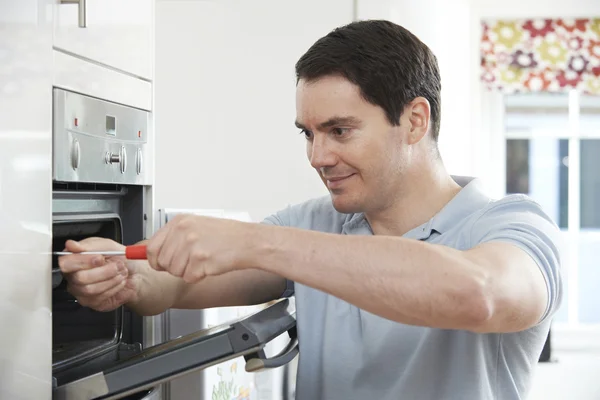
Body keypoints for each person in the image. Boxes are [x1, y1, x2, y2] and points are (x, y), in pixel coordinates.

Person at [59, 19, 563, 400]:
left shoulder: (512, 225)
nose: (318, 157)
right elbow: (169, 286)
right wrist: (124, 277)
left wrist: (256, 241)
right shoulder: (314, 224)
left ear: (414, 120)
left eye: (339, 131)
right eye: (308, 133)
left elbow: (479, 295)